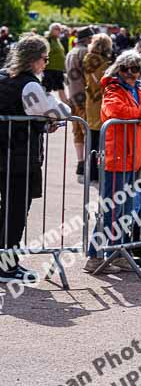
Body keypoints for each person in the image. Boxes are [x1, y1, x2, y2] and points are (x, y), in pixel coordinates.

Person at [0, 35, 68, 283]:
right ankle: (7, 266)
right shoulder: (29, 85)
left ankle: (5, 262)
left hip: (7, 154)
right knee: (16, 212)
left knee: (7, 210)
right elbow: (59, 110)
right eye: (45, 59)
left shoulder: (3, 76)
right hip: (19, 157)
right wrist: (48, 119)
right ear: (34, 59)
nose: (46, 64)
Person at [85, 50, 141, 274]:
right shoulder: (113, 88)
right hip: (116, 158)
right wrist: (138, 114)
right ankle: (94, 256)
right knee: (111, 209)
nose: (131, 73)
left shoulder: (138, 90)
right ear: (118, 70)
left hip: (133, 158)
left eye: (135, 69)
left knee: (127, 209)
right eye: (126, 69)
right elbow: (113, 110)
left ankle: (116, 252)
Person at [83, 33, 114, 184]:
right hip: (102, 104)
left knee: (92, 141)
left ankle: (91, 173)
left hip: (90, 103)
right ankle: (99, 172)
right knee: (101, 143)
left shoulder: (87, 60)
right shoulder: (106, 65)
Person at [65, 27, 93, 178]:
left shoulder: (71, 52)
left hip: (73, 95)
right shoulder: (85, 52)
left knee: (77, 132)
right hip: (84, 97)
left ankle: (80, 162)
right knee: (87, 130)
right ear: (88, 39)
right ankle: (89, 164)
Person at [43, 23, 67, 101]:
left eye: (60, 29)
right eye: (57, 29)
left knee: (61, 87)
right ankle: (44, 105)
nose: (59, 31)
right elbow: (43, 53)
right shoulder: (47, 39)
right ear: (51, 30)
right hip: (50, 68)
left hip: (58, 69)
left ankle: (66, 106)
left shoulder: (57, 40)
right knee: (47, 89)